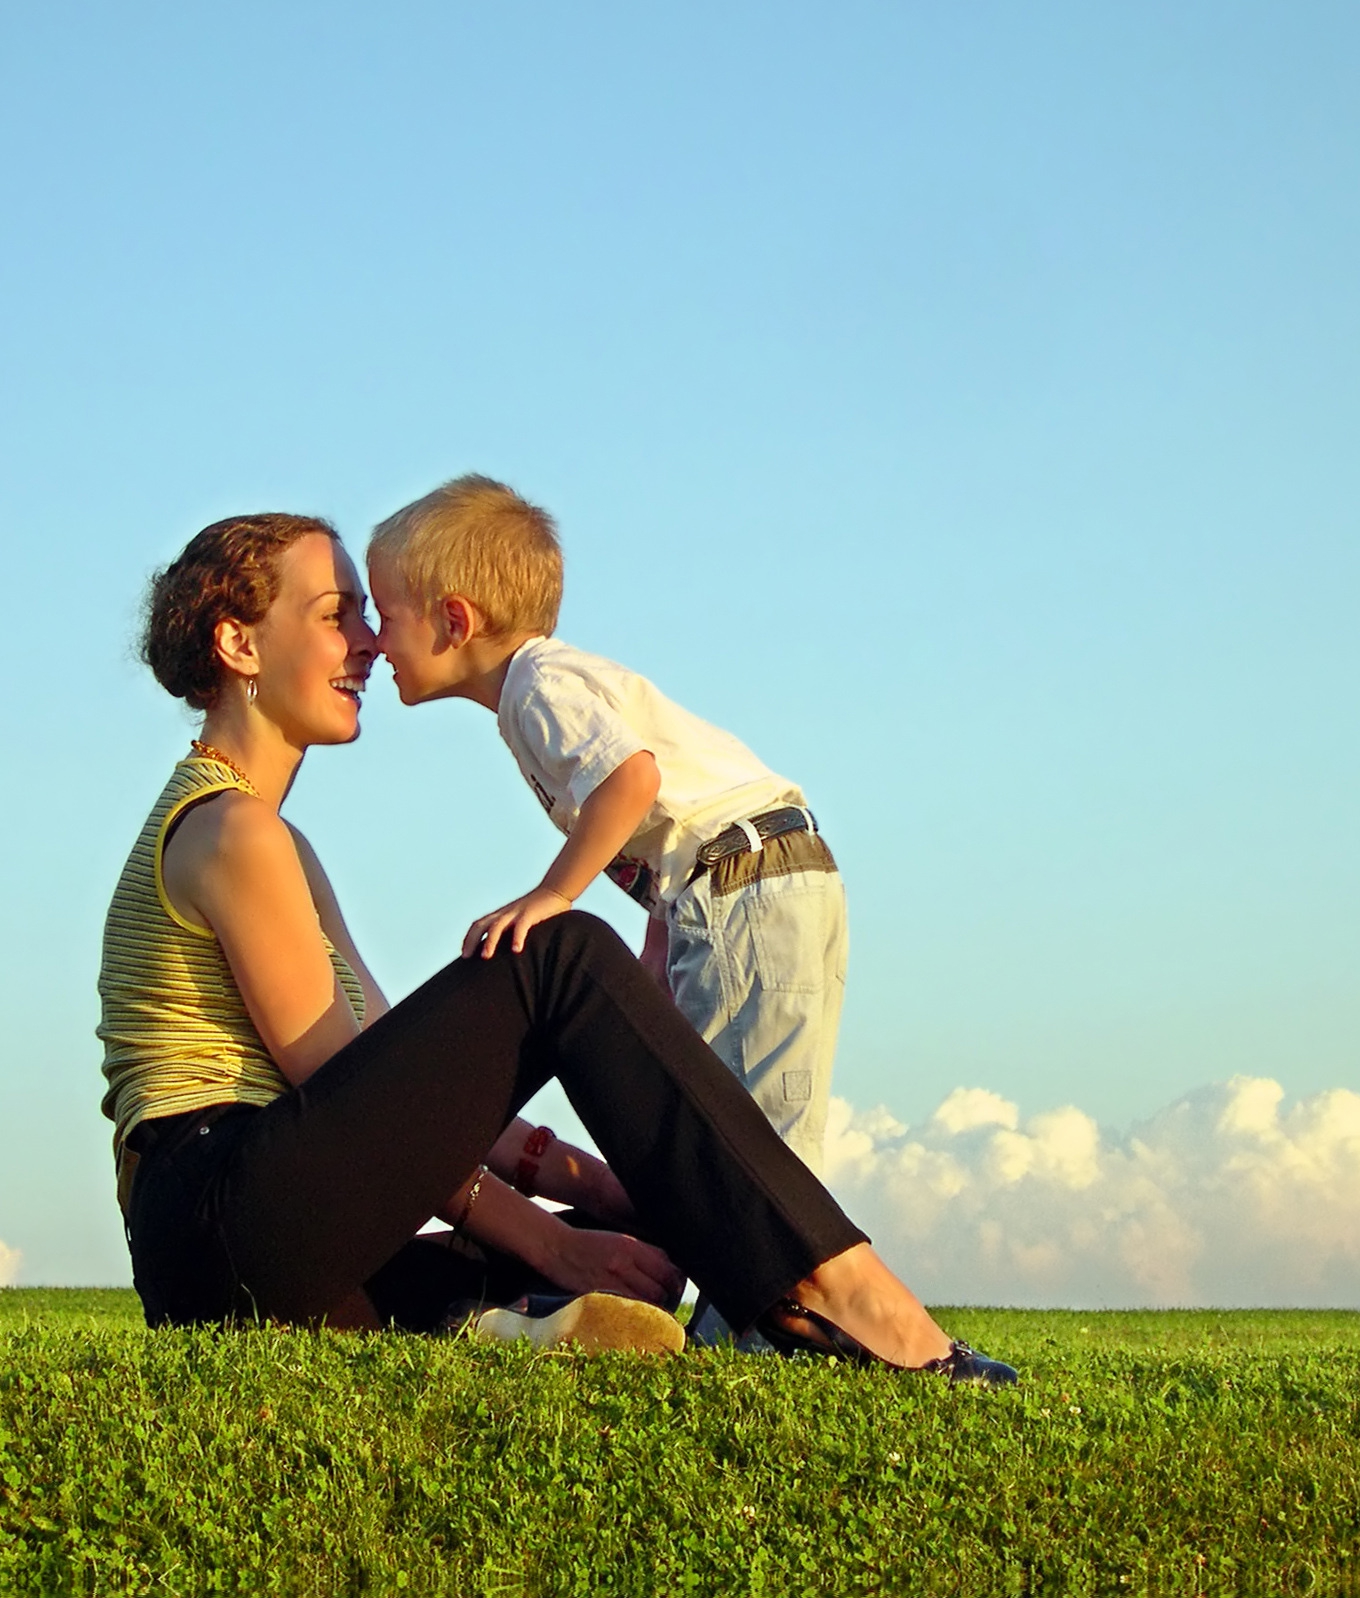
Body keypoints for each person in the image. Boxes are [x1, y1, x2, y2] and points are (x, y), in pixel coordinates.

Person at [94, 510, 1014, 1384]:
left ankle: (502, 1321)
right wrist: (547, 1234)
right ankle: (835, 1290)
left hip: (253, 1252)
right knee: (557, 950)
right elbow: (333, 1074)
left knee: (580, 1245)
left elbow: (392, 1091)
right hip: (224, 1218)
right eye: (337, 616)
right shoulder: (230, 831)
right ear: (238, 643)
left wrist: (605, 1195)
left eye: (369, 618)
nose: (369, 643)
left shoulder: (275, 843)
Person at [365, 475, 844, 1176]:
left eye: (383, 615)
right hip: (748, 873)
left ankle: (779, 1283)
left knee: (745, 1133)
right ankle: (750, 1277)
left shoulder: (538, 687)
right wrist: (661, 942)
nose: (374, 642)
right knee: (743, 1115)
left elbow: (631, 781)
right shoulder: (542, 687)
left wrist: (552, 896)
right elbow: (671, 814)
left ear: (454, 620)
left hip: (744, 883)